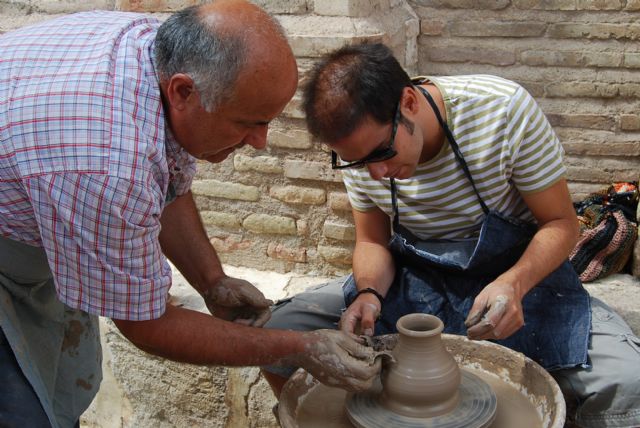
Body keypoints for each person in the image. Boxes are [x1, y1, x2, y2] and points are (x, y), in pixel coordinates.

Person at [0, 3, 380, 427]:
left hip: (38, 183)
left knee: (57, 388)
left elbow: (164, 176)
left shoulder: (156, 52)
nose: (260, 142)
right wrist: (296, 348)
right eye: (250, 122)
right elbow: (147, 324)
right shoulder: (107, 162)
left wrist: (211, 281)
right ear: (183, 92)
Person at [262, 42, 640, 428]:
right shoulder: (365, 155)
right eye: (357, 162)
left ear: (408, 101)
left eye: (381, 153)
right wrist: (369, 294)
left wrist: (514, 283)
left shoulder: (503, 111)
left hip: (517, 278)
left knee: (629, 383)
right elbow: (373, 242)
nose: (374, 172)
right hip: (417, 279)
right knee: (274, 336)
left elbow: (561, 225)